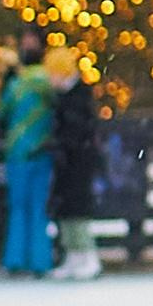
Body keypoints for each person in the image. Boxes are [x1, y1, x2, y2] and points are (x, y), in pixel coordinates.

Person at [0, 29, 56, 276]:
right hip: (37, 150)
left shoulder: (17, 84)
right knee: (35, 207)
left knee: (20, 206)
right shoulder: (48, 81)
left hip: (21, 152)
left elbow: (1, 113)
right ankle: (38, 259)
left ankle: (17, 258)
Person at [48, 42, 104, 280]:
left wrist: (65, 145)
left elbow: (80, 130)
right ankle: (72, 255)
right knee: (65, 209)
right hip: (66, 161)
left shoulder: (78, 95)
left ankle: (87, 255)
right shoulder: (63, 97)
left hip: (78, 162)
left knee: (78, 209)